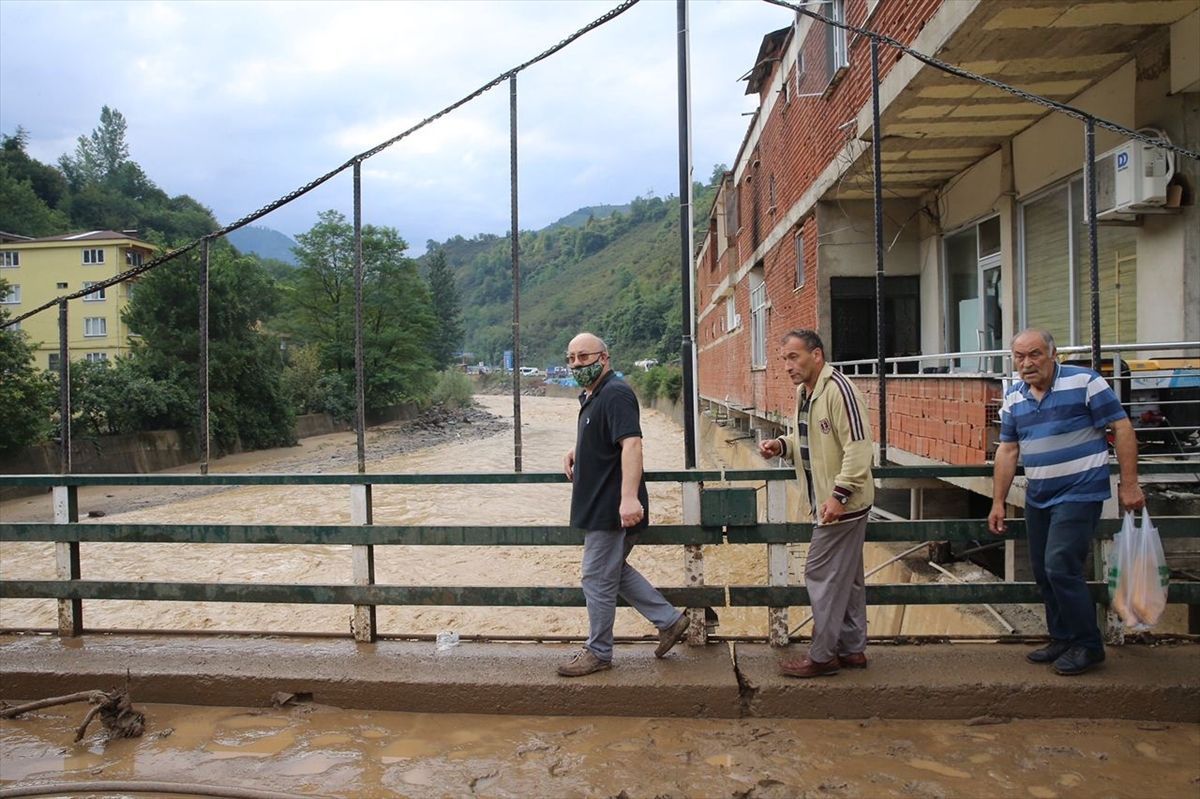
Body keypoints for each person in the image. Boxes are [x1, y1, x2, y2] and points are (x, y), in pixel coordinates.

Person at [989, 329, 1145, 676]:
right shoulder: (1014, 396)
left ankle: (1088, 645)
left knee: (1060, 565)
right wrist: (998, 501)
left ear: (1052, 354)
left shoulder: (1085, 382)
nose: (1026, 363)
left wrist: (1130, 484)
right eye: (1019, 357)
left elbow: (1121, 427)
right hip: (1039, 495)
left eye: (1034, 354)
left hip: (1079, 491)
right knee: (1043, 572)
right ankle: (1062, 638)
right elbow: (1008, 449)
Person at [557, 332, 690, 677]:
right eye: (571, 358)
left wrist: (629, 499)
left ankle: (599, 652)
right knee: (610, 572)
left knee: (596, 577)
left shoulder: (615, 392)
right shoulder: (593, 395)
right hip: (600, 504)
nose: (576, 364)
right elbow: (605, 436)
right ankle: (669, 620)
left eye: (583, 357)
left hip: (612, 507)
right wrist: (578, 449)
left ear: (604, 357)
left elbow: (631, 444)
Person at [757, 329, 875, 678]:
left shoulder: (839, 390)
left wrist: (839, 495)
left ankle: (823, 656)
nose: (787, 366)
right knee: (848, 579)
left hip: (841, 505)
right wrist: (782, 445)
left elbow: (859, 447)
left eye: (794, 357)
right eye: (784, 359)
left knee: (818, 573)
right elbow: (806, 440)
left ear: (817, 355)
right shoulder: (805, 394)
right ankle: (852, 650)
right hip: (829, 501)